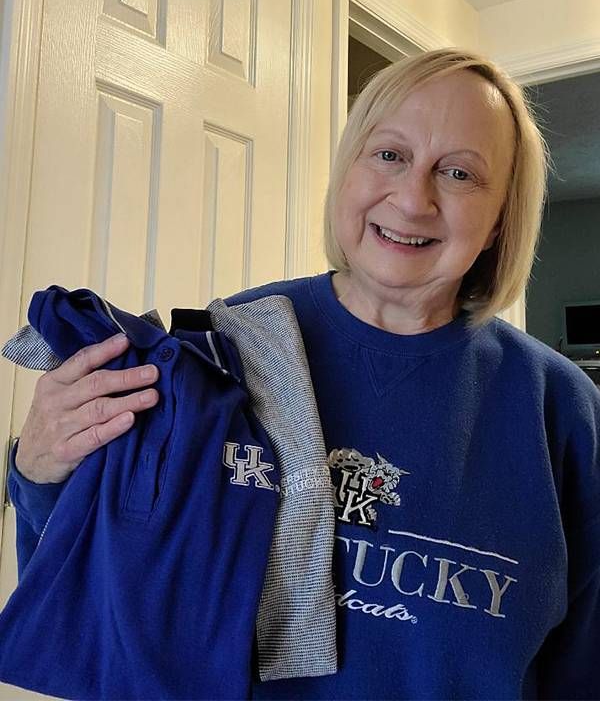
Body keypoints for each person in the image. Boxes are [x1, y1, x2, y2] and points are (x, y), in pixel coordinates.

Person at [6, 48, 600, 700]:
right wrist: (38, 469)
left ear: (498, 223)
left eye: (458, 173)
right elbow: (97, 594)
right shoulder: (224, 351)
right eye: (390, 155)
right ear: (348, 170)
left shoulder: (562, 411)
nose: (412, 198)